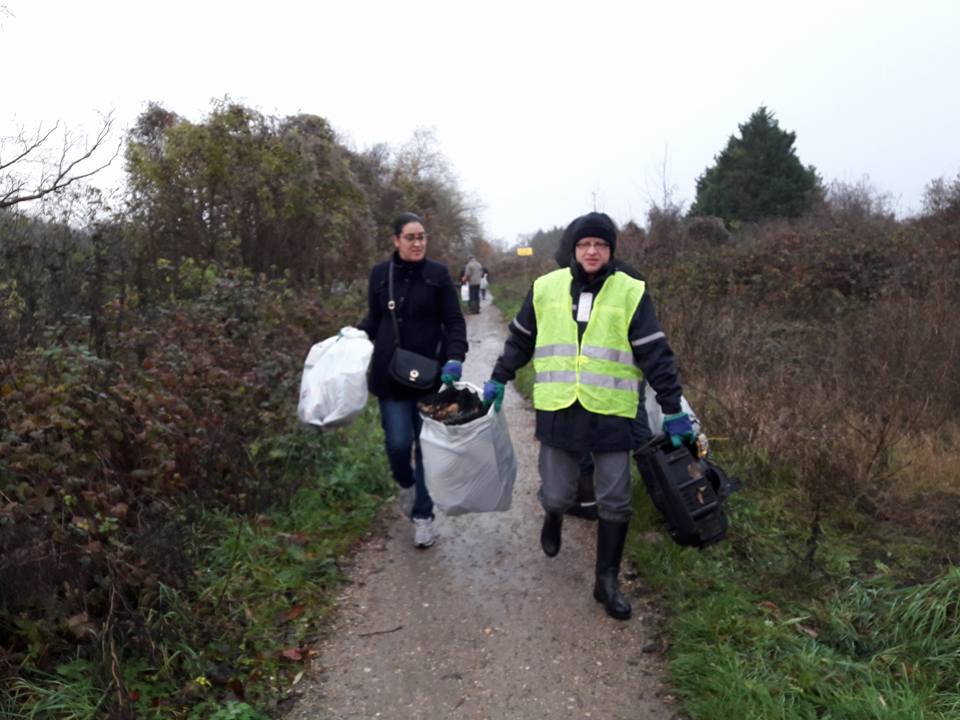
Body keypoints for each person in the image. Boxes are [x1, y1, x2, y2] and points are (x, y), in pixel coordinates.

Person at [482, 212, 694, 620]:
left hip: (611, 413)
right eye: (584, 245)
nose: (592, 251)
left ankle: (606, 581)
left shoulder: (631, 291)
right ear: (573, 251)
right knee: (559, 492)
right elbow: (521, 340)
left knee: (614, 499)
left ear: (610, 250)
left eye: (600, 244)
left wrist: (672, 408)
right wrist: (498, 378)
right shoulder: (545, 288)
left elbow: (655, 354)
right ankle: (553, 515)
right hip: (560, 409)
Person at [356, 212, 468, 548]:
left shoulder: (438, 275)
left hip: (431, 381)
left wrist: (455, 356)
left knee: (428, 450)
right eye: (410, 237)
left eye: (422, 236)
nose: (417, 243)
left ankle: (423, 516)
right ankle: (406, 485)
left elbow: (454, 321)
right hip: (390, 379)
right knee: (398, 445)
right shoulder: (380, 275)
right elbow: (374, 321)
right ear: (396, 240)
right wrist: (354, 336)